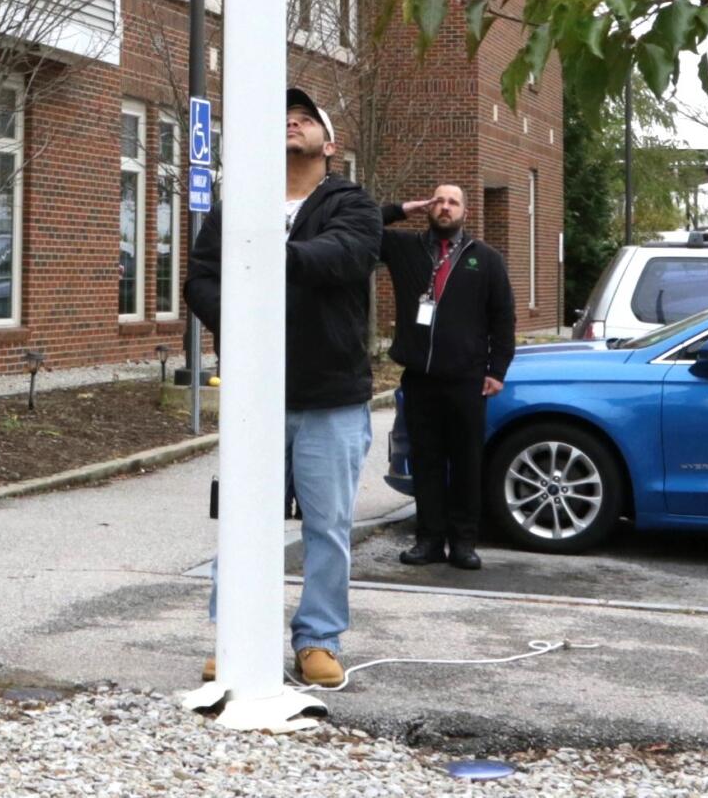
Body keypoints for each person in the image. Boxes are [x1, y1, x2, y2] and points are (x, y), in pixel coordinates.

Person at [186, 85, 382, 690]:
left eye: (305, 118)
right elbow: (201, 277)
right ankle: (234, 635)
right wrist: (241, 322)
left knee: (327, 526)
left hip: (330, 394)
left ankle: (318, 639)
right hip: (255, 396)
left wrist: (268, 254)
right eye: (282, 117)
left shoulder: (353, 203)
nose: (291, 124)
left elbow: (341, 258)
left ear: (330, 142)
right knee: (246, 519)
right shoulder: (238, 201)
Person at [377, 184, 514, 570]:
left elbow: (503, 317)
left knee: (467, 462)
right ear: (428, 208)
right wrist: (400, 207)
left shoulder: (485, 260)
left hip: (467, 380)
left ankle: (464, 543)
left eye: (453, 202)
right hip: (420, 378)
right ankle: (429, 541)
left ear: (465, 213)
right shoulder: (405, 250)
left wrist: (497, 369)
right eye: (438, 201)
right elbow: (361, 227)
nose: (445, 208)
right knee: (426, 462)